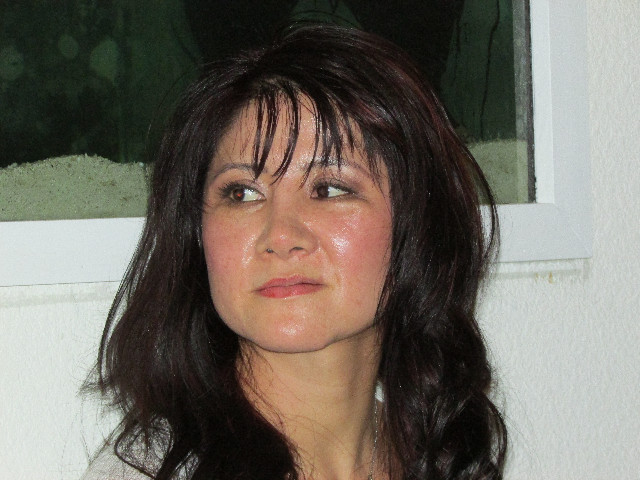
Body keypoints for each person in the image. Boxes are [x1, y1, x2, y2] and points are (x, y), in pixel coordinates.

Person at [83, 24, 506, 480]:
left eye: (329, 189)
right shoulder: (153, 471)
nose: (281, 235)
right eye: (242, 193)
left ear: (419, 224)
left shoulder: (443, 455)